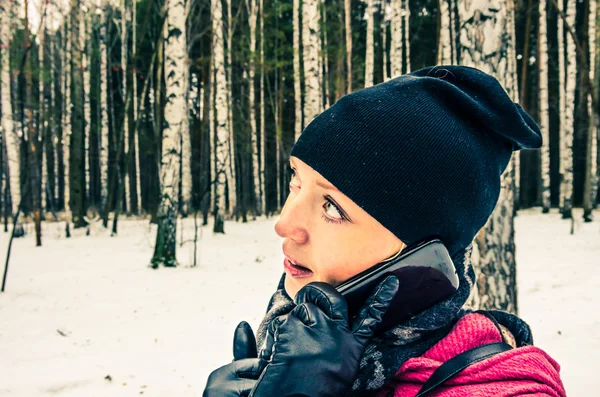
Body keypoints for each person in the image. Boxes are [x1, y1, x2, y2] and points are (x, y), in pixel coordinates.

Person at [202, 66, 567, 397]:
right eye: (296, 181)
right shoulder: (286, 356)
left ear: (418, 256)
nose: (285, 224)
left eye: (333, 207)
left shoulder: (503, 388)